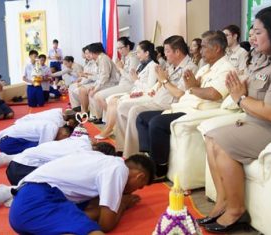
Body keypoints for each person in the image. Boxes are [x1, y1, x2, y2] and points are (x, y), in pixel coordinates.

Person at [199, 5, 271, 233]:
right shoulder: (267, 60)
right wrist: (240, 89)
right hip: (261, 122)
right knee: (211, 137)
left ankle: (236, 209)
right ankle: (223, 201)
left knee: (221, 141)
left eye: (258, 32)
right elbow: (248, 89)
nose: (254, 38)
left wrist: (240, 98)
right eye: (253, 32)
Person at [136, 31, 235, 178]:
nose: (201, 51)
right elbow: (196, 87)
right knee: (142, 118)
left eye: (204, 47)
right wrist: (194, 85)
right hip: (185, 105)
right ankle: (150, 158)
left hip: (197, 110)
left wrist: (193, 88)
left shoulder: (226, 68)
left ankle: (159, 169)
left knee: (157, 123)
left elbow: (214, 94)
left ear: (217, 48)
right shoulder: (205, 68)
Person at [9, 153, 155, 234]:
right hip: (36, 200)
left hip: (28, 205)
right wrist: (123, 204)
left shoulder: (103, 161)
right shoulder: (118, 169)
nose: (134, 191)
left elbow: (95, 210)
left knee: (94, 208)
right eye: (139, 186)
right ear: (139, 176)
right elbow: (106, 224)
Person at [115, 35, 198, 157]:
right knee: (122, 107)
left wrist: (164, 81)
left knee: (135, 111)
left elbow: (180, 94)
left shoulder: (190, 68)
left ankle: (133, 154)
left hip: (168, 105)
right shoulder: (171, 66)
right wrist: (158, 86)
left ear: (177, 52)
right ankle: (123, 147)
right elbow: (161, 83)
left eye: (167, 51)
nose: (165, 54)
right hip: (157, 99)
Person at [94, 40, 158, 139]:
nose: (137, 55)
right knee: (112, 100)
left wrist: (135, 79)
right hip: (135, 90)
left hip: (144, 94)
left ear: (147, 53)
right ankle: (110, 127)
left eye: (139, 52)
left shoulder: (153, 65)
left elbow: (149, 87)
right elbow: (133, 78)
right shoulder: (142, 65)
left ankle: (109, 128)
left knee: (114, 101)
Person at [89, 37, 139, 124]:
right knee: (95, 94)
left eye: (121, 48)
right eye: (118, 48)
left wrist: (120, 68)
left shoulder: (133, 58)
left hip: (128, 86)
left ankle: (113, 122)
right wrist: (119, 69)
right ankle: (109, 120)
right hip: (121, 84)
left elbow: (132, 78)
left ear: (127, 46)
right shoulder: (125, 57)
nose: (119, 50)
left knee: (98, 96)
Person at [78, 43, 118, 114]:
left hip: (111, 83)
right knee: (90, 90)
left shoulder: (103, 59)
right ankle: (91, 114)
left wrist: (96, 88)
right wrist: (94, 86)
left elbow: (104, 78)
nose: (88, 55)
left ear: (94, 52)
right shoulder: (100, 58)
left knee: (93, 93)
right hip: (106, 82)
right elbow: (100, 77)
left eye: (89, 53)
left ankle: (99, 116)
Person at [0, 120, 72, 155]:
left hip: (7, 140)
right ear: (64, 134)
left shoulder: (52, 124)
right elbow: (44, 149)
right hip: (8, 143)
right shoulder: (52, 129)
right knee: (39, 149)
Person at [68, 45, 98, 111]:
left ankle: (83, 109)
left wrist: (82, 82)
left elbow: (92, 76)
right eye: (86, 53)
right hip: (89, 81)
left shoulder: (96, 62)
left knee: (78, 89)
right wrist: (81, 79)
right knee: (71, 87)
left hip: (93, 82)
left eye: (89, 53)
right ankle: (76, 107)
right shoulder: (88, 62)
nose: (87, 55)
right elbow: (85, 75)